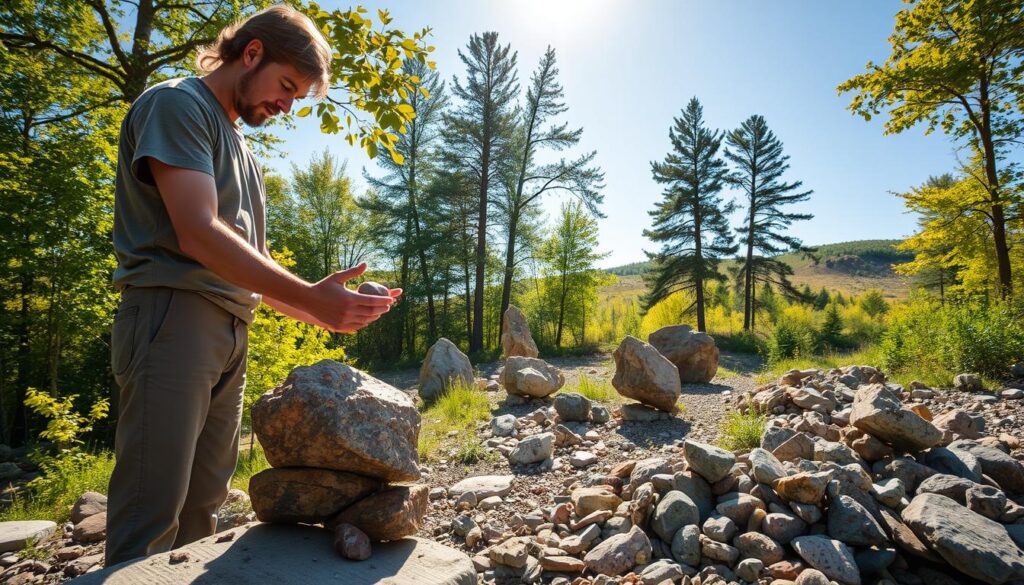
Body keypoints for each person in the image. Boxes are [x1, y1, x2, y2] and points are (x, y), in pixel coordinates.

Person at [104, 4, 399, 566]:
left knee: (202, 505)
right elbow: (197, 233)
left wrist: (330, 310)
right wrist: (314, 298)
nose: (287, 106)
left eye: (297, 97)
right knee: (151, 508)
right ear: (252, 52)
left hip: (232, 328)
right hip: (174, 317)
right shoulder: (177, 104)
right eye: (287, 86)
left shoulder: (242, 150)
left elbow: (252, 269)